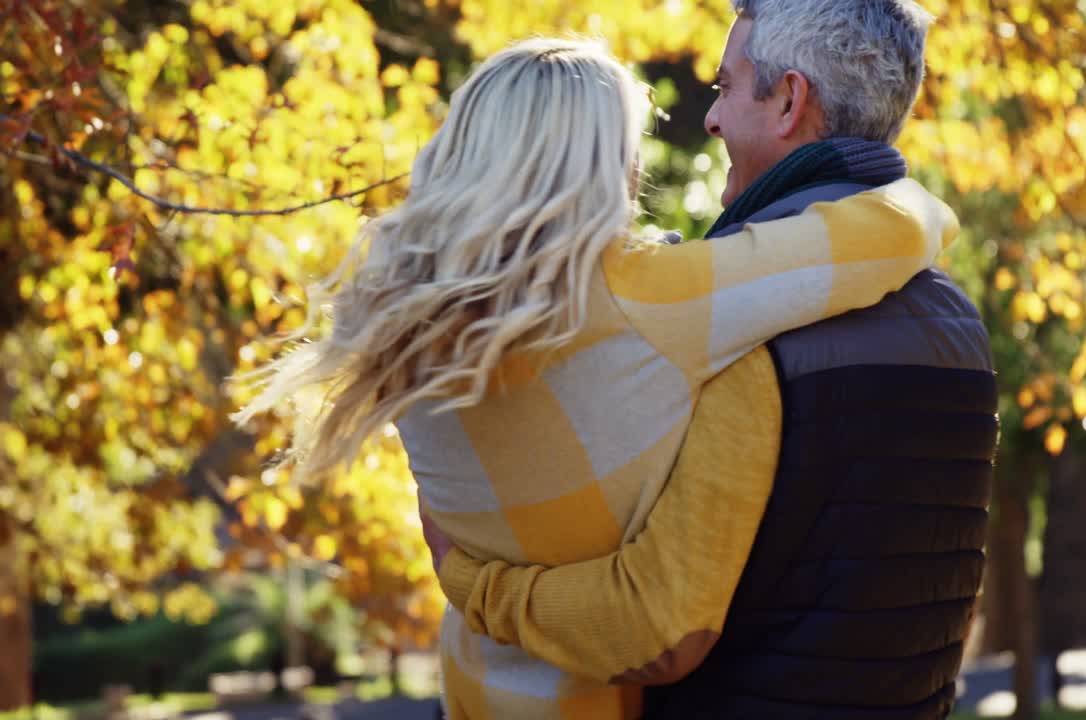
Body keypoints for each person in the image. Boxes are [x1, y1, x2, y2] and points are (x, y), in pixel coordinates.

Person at [232, 35, 959, 720]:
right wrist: (926, 200)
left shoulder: (407, 330)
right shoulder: (649, 301)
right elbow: (894, 229)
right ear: (603, 163)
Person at [422, 2, 999, 718]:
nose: (711, 120)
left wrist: (471, 580)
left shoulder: (752, 332)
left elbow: (657, 629)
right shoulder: (954, 319)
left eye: (725, 88)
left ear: (789, 100)